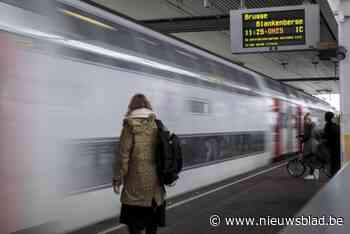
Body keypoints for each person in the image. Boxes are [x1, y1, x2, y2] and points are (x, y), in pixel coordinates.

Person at [113, 94, 166, 234]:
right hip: (155, 188)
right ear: (147, 106)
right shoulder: (157, 124)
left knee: (134, 227)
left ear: (132, 106)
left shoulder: (130, 126)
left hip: (135, 188)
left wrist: (118, 178)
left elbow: (123, 156)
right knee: (151, 227)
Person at [323, 111, 341, 176]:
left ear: (327, 117)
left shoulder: (328, 125)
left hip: (333, 147)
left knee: (333, 164)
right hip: (339, 146)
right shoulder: (337, 125)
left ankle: (334, 176)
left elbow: (326, 136)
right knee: (337, 164)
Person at [302, 113, 319, 180]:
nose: (305, 121)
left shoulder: (308, 125)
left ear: (308, 119)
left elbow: (308, 135)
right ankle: (315, 173)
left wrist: (303, 140)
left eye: (306, 119)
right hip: (313, 143)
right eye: (305, 119)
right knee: (311, 158)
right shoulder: (313, 125)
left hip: (310, 144)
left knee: (307, 158)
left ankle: (312, 174)